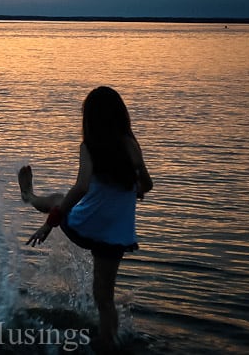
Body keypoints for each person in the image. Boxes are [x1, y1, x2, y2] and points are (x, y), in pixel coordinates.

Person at [18, 86, 153, 353]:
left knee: (58, 199)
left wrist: (49, 223)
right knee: (105, 298)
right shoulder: (130, 144)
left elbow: (80, 188)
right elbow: (147, 185)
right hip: (116, 235)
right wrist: (136, 181)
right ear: (121, 115)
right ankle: (110, 343)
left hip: (88, 226)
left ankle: (29, 196)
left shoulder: (89, 146)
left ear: (89, 119)